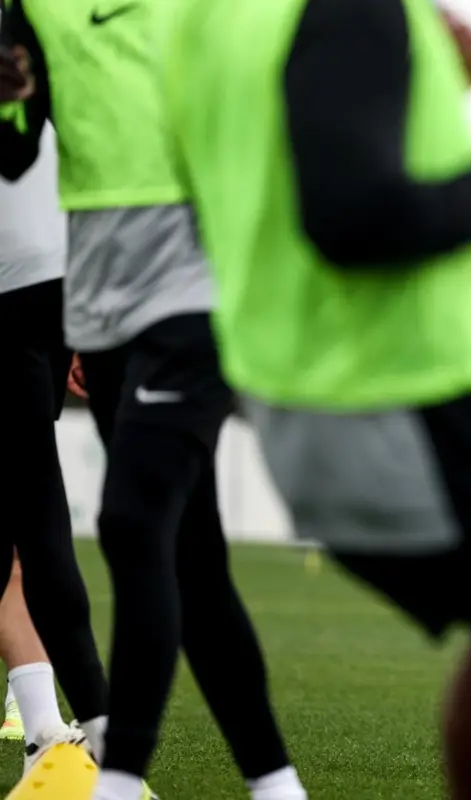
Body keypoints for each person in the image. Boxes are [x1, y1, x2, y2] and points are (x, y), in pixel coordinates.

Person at [163, 0, 471, 798]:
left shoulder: (203, 20)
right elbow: (354, 221)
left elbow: (265, 183)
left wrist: (426, 81)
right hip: (426, 399)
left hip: (299, 414)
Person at [0, 3, 305, 799]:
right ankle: (277, 786)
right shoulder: (31, 8)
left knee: (134, 524)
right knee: (192, 557)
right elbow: (16, 148)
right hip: (98, 303)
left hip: (198, 282)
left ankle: (117, 778)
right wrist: (9, 94)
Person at [0, 64, 112, 773]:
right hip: (48, 281)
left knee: (29, 519)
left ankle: (83, 734)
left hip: (31, 288)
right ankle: (63, 724)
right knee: (26, 521)